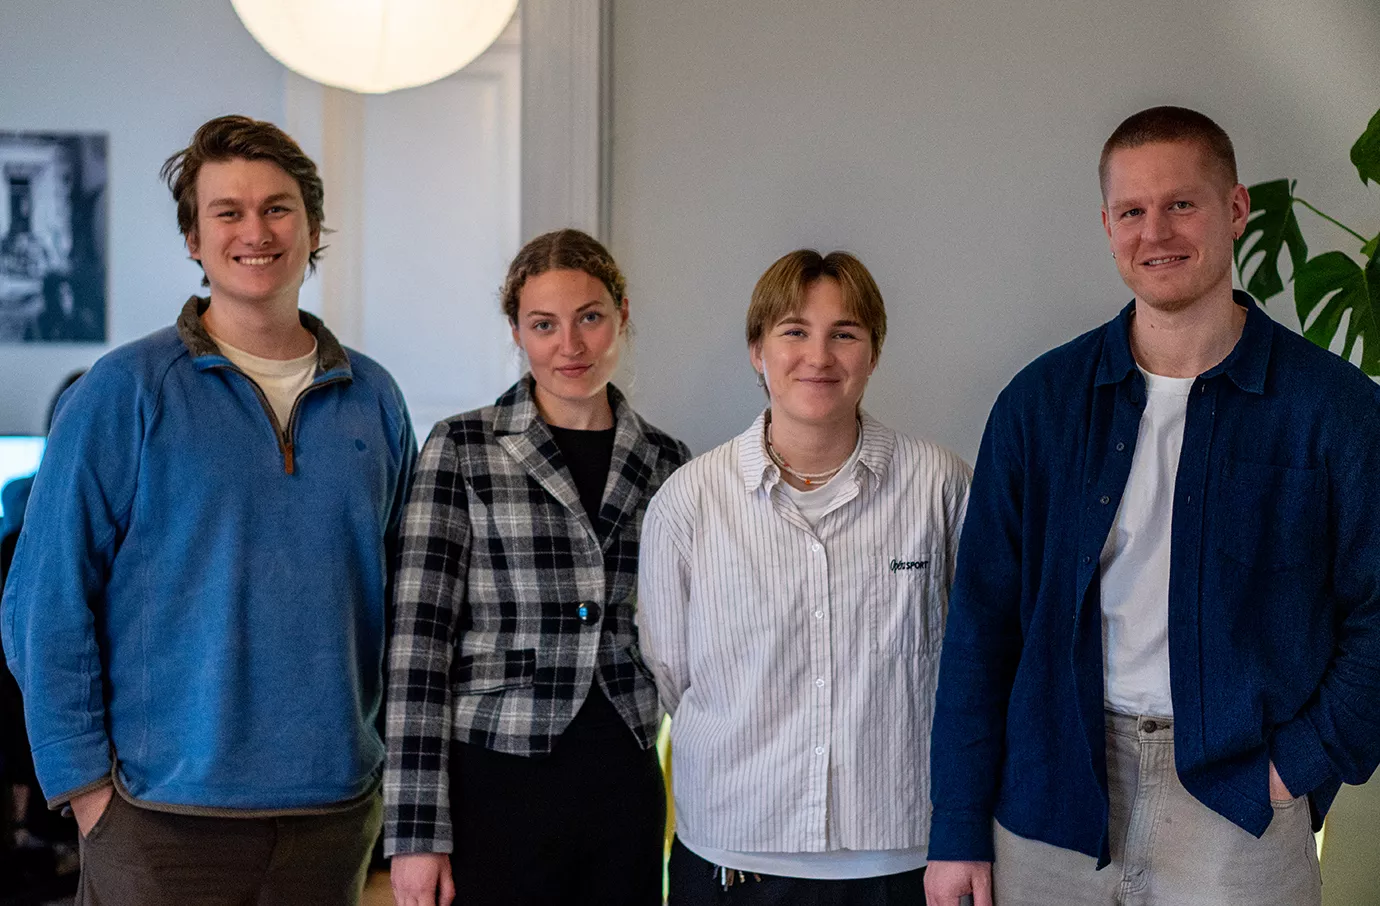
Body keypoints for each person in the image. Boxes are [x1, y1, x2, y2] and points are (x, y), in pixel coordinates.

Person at [925, 106, 1380, 906]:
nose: (1155, 232)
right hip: (1053, 785)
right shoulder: (1040, 405)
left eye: (1182, 204)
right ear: (1107, 225)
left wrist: (1295, 769)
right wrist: (957, 824)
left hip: (1240, 798)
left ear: (1235, 209)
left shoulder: (1335, 411)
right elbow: (982, 624)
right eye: (1132, 211)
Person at [0, 114, 416, 905]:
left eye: (278, 207)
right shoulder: (123, 392)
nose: (255, 231)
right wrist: (86, 790)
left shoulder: (375, 399)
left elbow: (407, 604)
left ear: (314, 226)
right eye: (228, 211)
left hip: (334, 815)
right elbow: (41, 601)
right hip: (159, 821)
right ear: (194, 238)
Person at [637, 249, 972, 905]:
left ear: (872, 352)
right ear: (757, 349)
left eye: (843, 334)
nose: (818, 356)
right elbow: (674, 671)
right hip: (736, 856)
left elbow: (980, 660)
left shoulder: (941, 485)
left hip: (905, 858)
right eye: (794, 331)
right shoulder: (688, 502)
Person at [384, 228, 691, 906]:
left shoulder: (670, 461)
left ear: (622, 315)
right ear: (518, 332)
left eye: (590, 318)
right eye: (544, 325)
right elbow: (416, 647)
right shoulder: (463, 447)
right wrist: (414, 833)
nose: (570, 346)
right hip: (495, 774)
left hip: (624, 770)